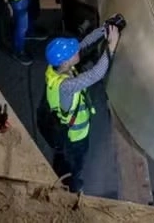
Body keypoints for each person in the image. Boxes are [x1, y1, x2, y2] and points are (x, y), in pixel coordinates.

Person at [44, 23, 120, 193]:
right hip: (75, 138)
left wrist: (105, 28)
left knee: (64, 159)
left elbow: (84, 43)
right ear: (65, 62)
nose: (77, 50)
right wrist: (111, 47)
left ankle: (63, 170)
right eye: (72, 52)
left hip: (66, 133)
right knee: (75, 163)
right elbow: (95, 74)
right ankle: (72, 186)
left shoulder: (55, 68)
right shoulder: (66, 86)